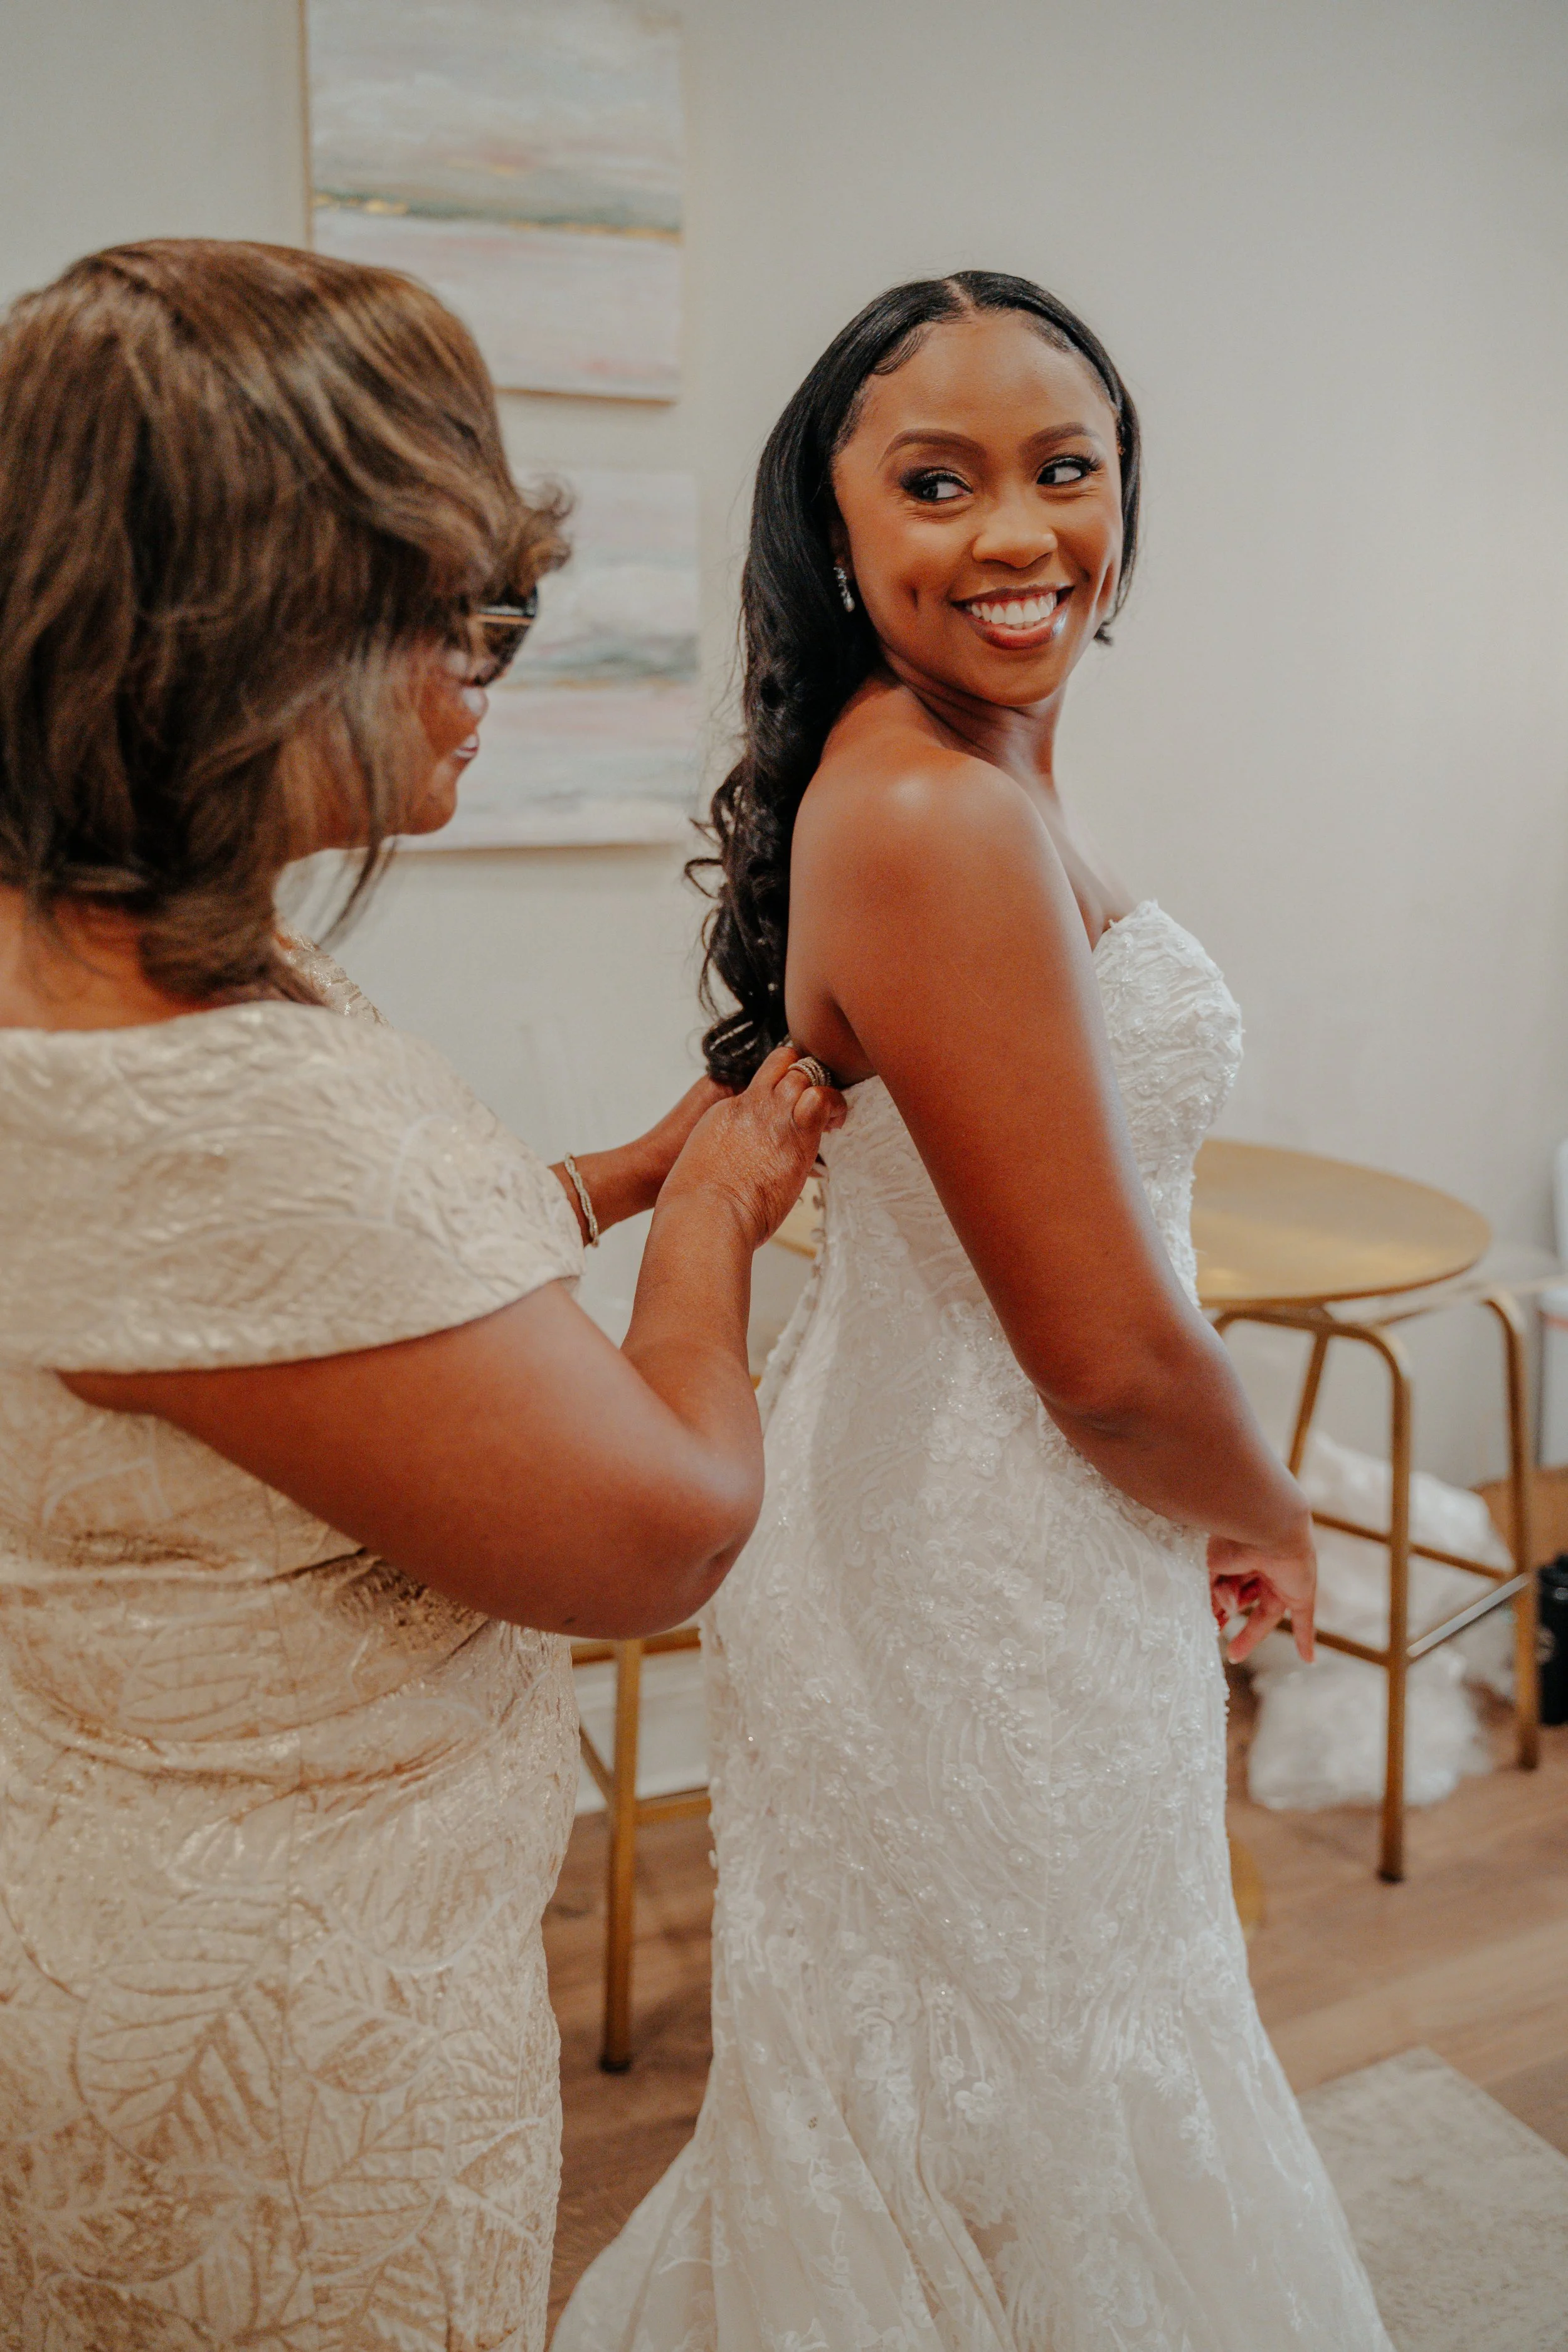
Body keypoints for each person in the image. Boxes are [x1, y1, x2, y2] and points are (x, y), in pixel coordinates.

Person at [0, 239, 842, 2351]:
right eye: (447, 608)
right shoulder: (202, 1104)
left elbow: (297, 1335)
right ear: (234, 635)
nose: (488, 663)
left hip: (122, 1903)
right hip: (282, 2043)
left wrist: (601, 1179)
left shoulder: (84, 958)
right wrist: (718, 1213)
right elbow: (653, 1530)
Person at [558, 273, 1392, 2349]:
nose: (1017, 532)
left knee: (1023, 2082)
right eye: (936, 482)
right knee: (1029, 2080)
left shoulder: (950, 763)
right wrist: (1268, 1507)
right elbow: (1104, 1352)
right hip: (980, 1558)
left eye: (1064, 468)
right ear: (831, 534)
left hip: (982, 1520)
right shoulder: (933, 807)